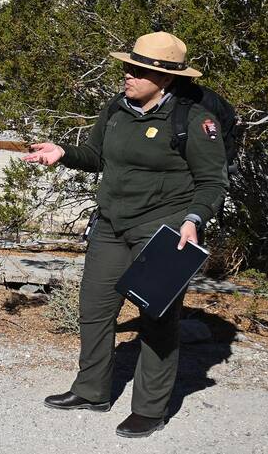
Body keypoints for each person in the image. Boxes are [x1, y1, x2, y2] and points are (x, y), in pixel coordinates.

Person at [25, 31, 228, 439]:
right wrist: (63, 152)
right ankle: (91, 391)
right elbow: (98, 156)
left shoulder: (192, 120)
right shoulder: (117, 109)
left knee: (156, 318)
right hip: (112, 226)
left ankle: (150, 409)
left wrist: (194, 218)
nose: (128, 75)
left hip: (164, 231)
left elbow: (212, 182)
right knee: (95, 309)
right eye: (128, 66)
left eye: (140, 70)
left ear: (167, 78)